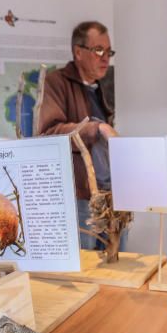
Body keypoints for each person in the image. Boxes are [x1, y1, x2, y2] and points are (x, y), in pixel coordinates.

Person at [38, 20, 123, 250]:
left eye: (109, 51)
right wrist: (97, 128)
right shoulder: (56, 83)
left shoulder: (101, 85)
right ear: (78, 52)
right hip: (81, 196)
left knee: (117, 260)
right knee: (86, 265)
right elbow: (48, 135)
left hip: (111, 194)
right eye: (98, 50)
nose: (105, 58)